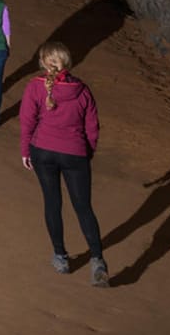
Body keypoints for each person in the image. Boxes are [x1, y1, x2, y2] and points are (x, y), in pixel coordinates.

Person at [20, 41, 109, 286]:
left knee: (52, 203)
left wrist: (25, 150)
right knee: (83, 208)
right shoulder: (82, 90)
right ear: (67, 63)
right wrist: (86, 152)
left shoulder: (35, 87)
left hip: (44, 151)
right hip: (75, 154)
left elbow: (27, 121)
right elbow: (92, 127)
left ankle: (60, 257)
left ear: (42, 62)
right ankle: (98, 259)